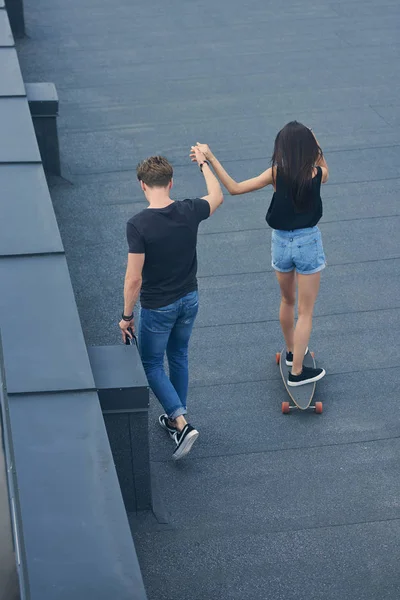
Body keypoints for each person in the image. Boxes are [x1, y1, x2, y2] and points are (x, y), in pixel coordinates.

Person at [191, 121, 328, 386]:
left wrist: (208, 158)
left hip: (281, 242)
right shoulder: (317, 173)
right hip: (307, 242)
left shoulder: (276, 173)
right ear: (309, 148)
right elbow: (324, 165)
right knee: (306, 312)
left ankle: (291, 353)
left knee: (287, 301)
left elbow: (234, 187)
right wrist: (313, 138)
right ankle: (297, 372)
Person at [119, 151, 223, 460]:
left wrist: (126, 316)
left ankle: (180, 421)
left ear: (142, 185)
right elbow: (217, 195)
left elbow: (133, 279)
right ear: (171, 182)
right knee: (178, 355)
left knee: (151, 364)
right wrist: (204, 163)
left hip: (158, 307)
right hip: (189, 299)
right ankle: (177, 420)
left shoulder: (138, 225)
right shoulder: (189, 210)